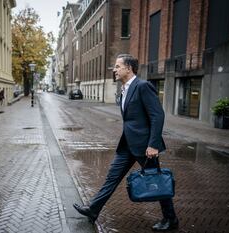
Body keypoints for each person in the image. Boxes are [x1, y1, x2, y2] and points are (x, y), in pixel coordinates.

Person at [73, 54, 178, 231]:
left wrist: (153, 144)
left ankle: (171, 219)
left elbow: (157, 115)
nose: (114, 69)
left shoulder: (143, 86)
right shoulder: (124, 88)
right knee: (112, 178)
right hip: (127, 145)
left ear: (129, 68)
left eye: (117, 66)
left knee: (157, 180)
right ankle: (93, 209)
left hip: (145, 147)